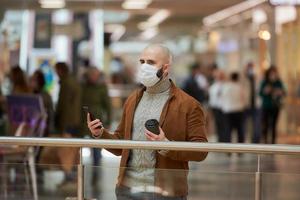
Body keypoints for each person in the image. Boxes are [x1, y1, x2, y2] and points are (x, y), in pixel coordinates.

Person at [88, 44, 208, 200]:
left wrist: (166, 145)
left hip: (166, 192)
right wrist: (101, 134)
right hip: (127, 189)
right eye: (142, 61)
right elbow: (120, 145)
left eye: (151, 62)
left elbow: (201, 151)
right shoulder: (133, 99)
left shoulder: (189, 105)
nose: (144, 67)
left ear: (166, 68)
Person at [80, 67, 111, 182]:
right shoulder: (83, 86)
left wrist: (108, 121)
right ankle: (77, 172)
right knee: (78, 146)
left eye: (95, 75)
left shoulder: (102, 87)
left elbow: (108, 106)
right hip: (83, 120)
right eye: (91, 74)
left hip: (97, 119)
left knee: (96, 148)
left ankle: (96, 171)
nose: (93, 77)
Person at [54, 62, 82, 183]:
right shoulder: (74, 81)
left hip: (67, 121)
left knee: (67, 150)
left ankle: (69, 176)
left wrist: (57, 119)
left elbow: (63, 104)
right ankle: (74, 176)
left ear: (60, 70)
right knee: (73, 150)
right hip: (75, 120)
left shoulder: (66, 83)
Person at [259, 66, 285, 144]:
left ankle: (273, 142)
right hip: (266, 106)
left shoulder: (278, 82)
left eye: (275, 72)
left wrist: (280, 92)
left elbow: (284, 92)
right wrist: (265, 91)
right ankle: (265, 141)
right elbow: (260, 93)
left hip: (275, 106)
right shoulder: (264, 82)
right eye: (272, 73)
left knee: (273, 125)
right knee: (265, 125)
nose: (273, 74)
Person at [221, 72, 247, 144]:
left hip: (228, 110)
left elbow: (222, 97)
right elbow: (244, 98)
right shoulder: (240, 87)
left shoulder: (226, 86)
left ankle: (228, 148)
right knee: (239, 130)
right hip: (238, 110)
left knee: (228, 130)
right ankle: (240, 149)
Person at [29, 70, 54, 136]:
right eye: (32, 79)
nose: (32, 82)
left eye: (34, 80)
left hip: (43, 128)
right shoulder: (31, 94)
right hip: (32, 128)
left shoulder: (45, 96)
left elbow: (50, 114)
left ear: (40, 81)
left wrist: (50, 130)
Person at [208, 69, 225, 142]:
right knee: (217, 124)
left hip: (223, 107)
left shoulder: (224, 84)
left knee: (223, 124)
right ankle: (220, 138)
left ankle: (223, 139)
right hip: (215, 107)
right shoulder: (214, 85)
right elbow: (212, 96)